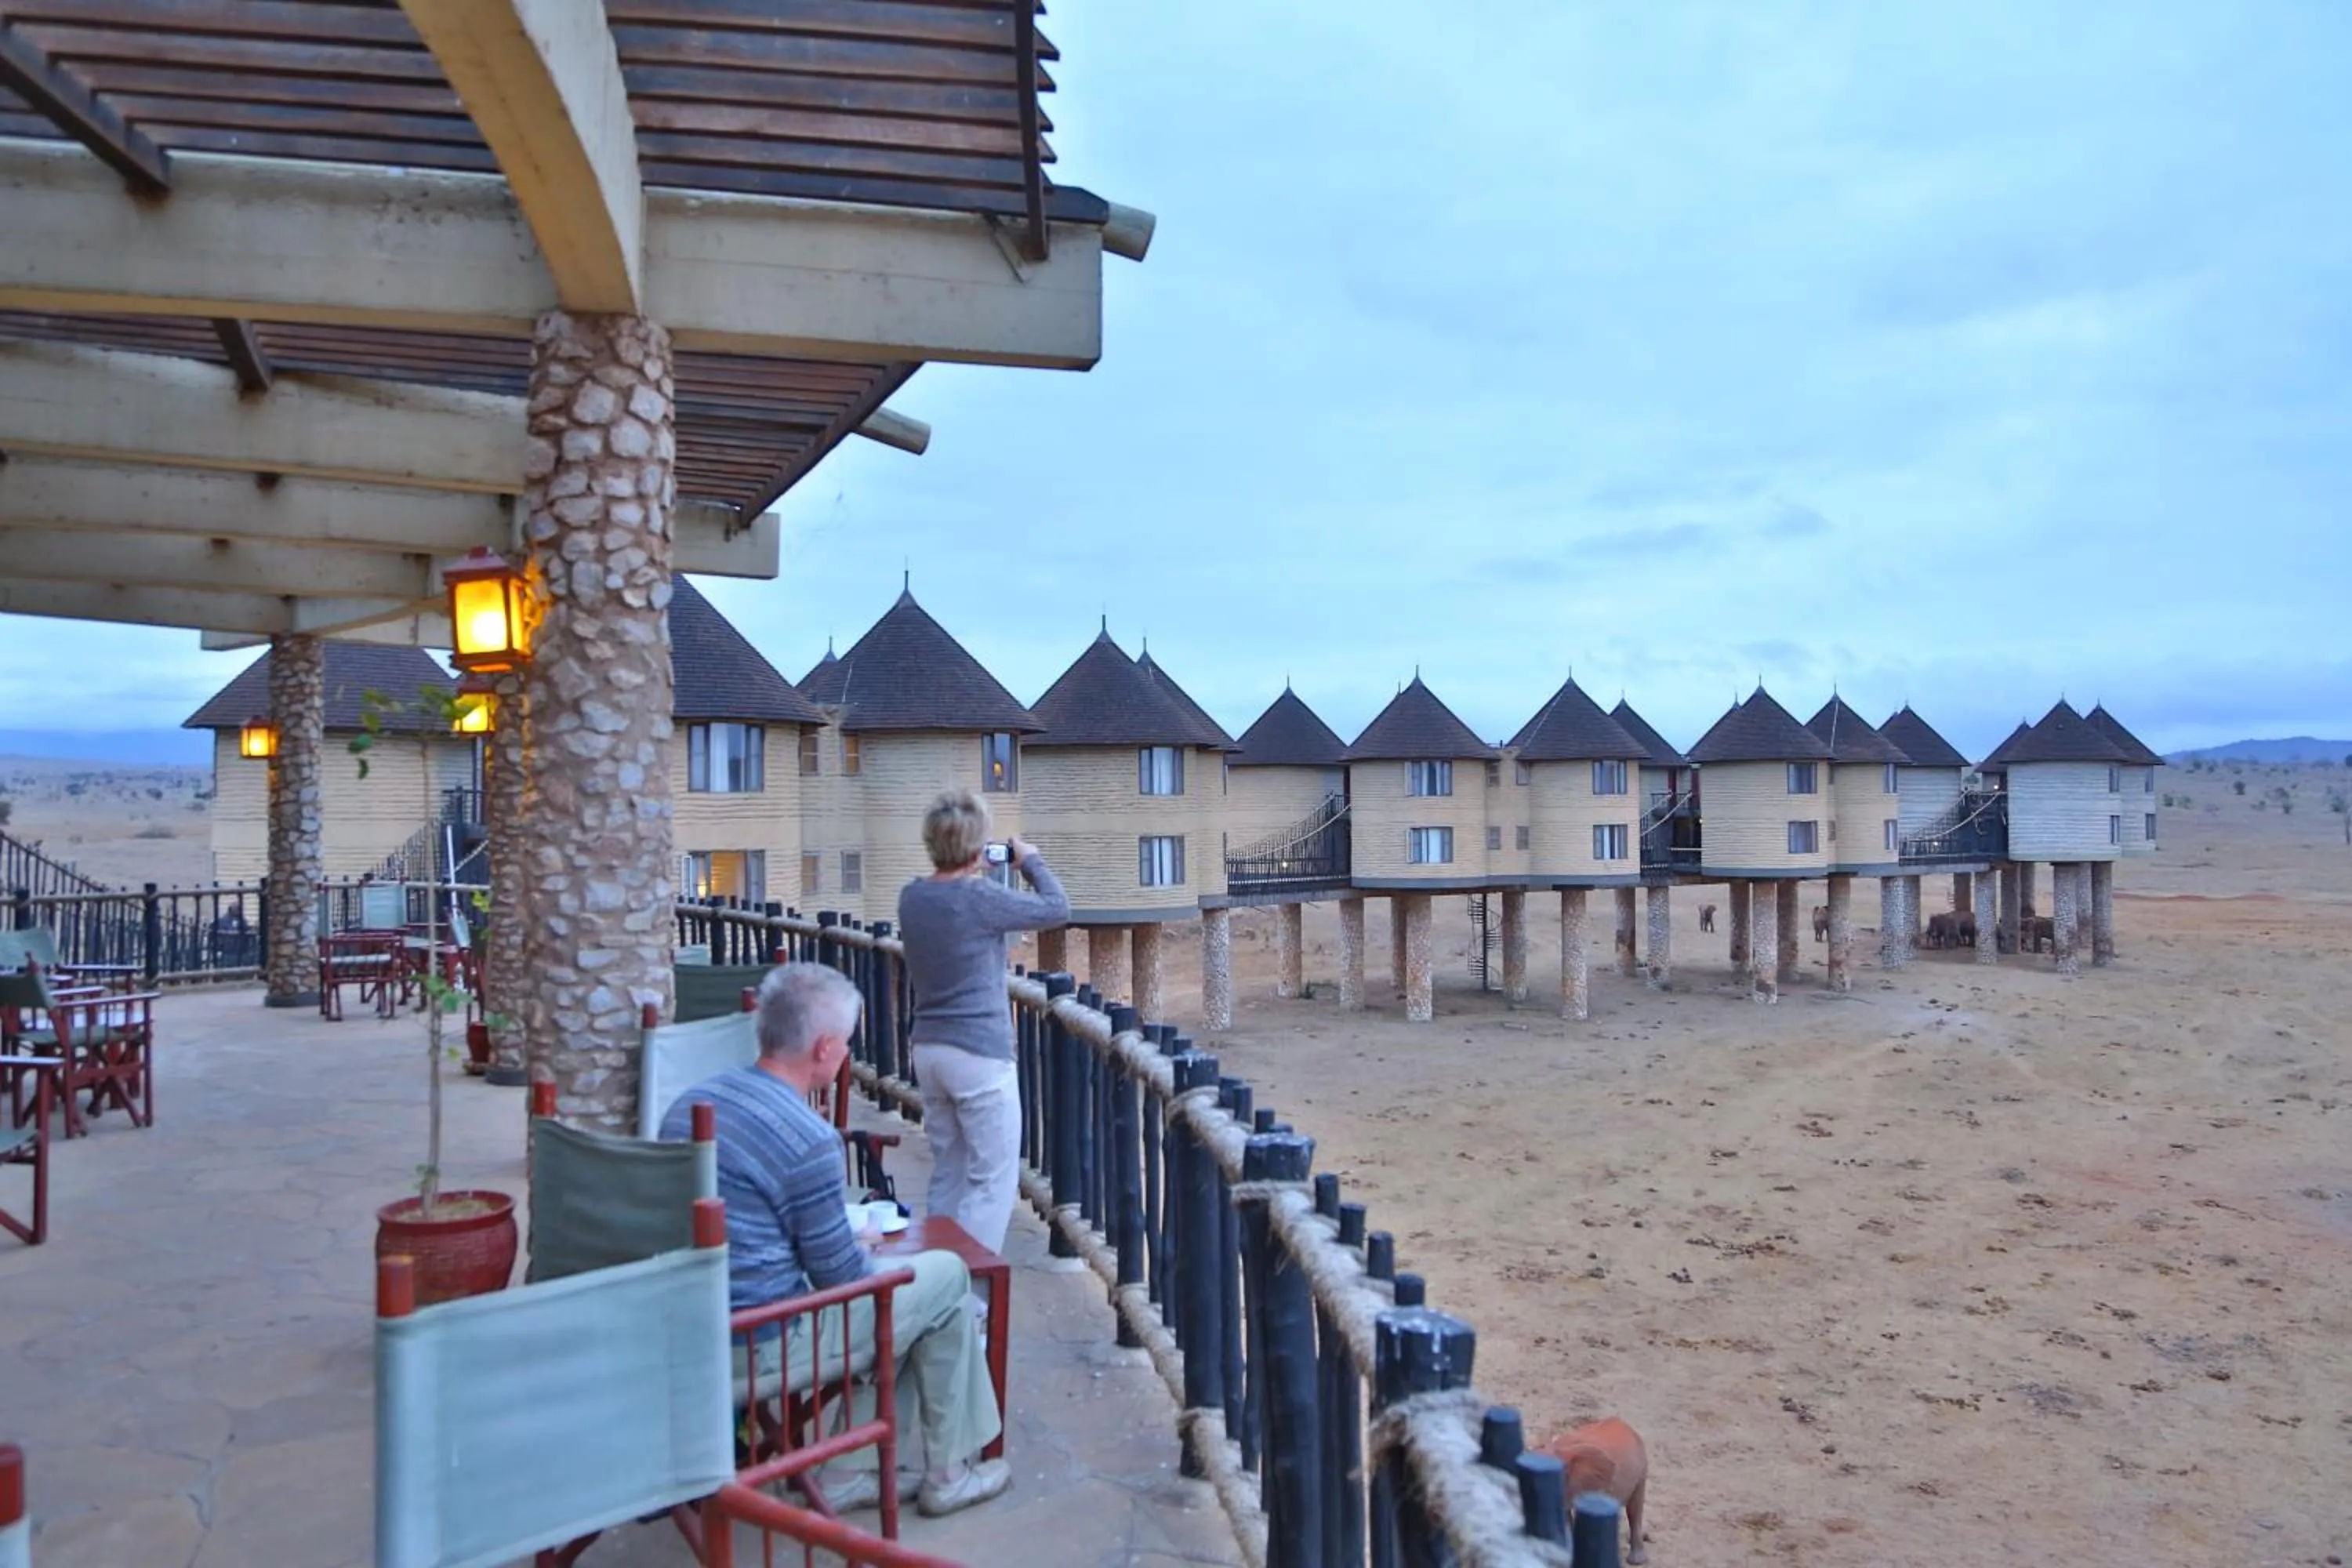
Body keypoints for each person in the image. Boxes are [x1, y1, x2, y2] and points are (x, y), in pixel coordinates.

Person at [660, 962, 1007, 1518]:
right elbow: (843, 1285)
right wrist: (863, 1251)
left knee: (918, 1303)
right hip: (758, 1342)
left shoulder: (690, 1104)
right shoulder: (809, 1140)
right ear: (825, 1049)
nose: (846, 1053)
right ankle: (948, 1472)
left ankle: (850, 1473)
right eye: (846, 1044)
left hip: (682, 1330)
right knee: (943, 1281)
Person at [896, 789, 1069, 1257]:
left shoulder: (911, 898)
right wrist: (1029, 863)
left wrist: (977, 868)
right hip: (979, 1052)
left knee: (949, 1170)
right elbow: (1057, 908)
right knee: (992, 1179)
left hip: (928, 1048)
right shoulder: (981, 898)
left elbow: (951, 908)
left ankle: (933, 1285)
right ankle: (967, 1300)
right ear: (978, 849)